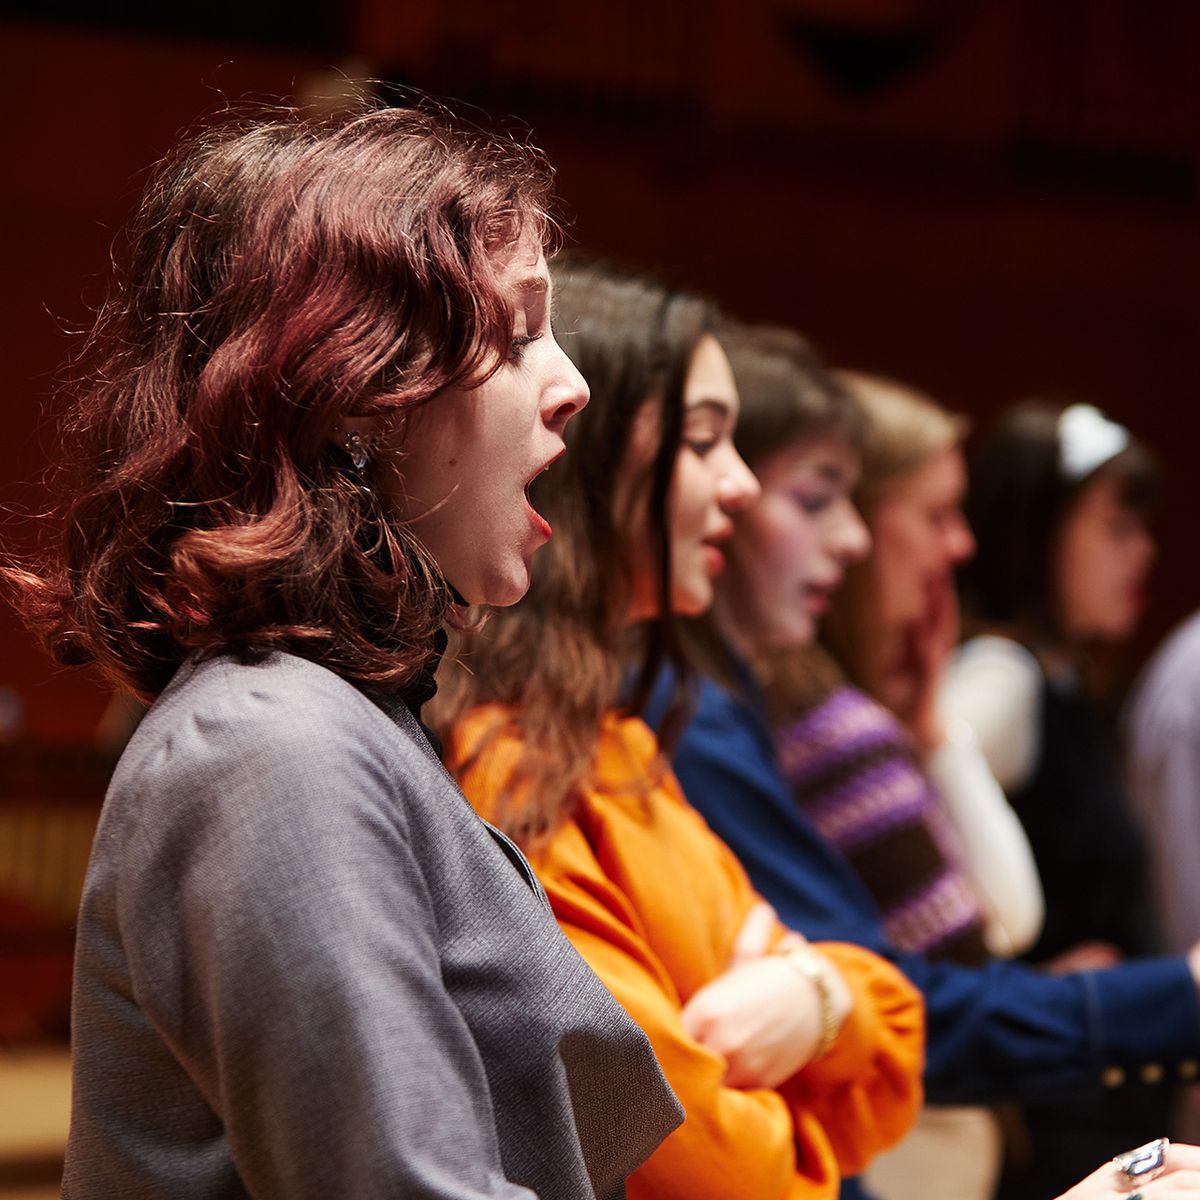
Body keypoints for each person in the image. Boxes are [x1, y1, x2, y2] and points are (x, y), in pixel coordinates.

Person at [7, 104, 683, 1197]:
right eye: (517, 334)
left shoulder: (339, 720)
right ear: (358, 391)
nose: (575, 384)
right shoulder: (270, 746)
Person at [646, 335, 1200, 1198]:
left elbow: (901, 978)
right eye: (819, 498)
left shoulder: (764, 702)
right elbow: (923, 990)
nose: (858, 540)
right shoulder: (702, 716)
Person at [434, 258, 925, 1200]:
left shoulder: (620, 748)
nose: (740, 486)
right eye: (705, 443)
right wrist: (824, 1019)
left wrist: (817, 999)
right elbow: (713, 1171)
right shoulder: (513, 771)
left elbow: (901, 1030)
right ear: (588, 456)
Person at [950, 398, 1166, 1195]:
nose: (1143, 553)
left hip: (1089, 1098)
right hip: (1048, 1118)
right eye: (1116, 529)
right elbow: (911, 843)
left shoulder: (1070, 686)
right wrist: (1016, 985)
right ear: (1037, 534)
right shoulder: (1003, 679)